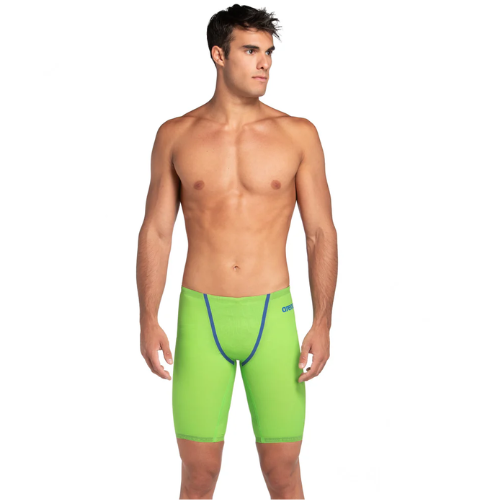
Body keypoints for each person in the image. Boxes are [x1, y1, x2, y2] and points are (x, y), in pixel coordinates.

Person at [136, 4, 338, 499]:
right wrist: (147, 317)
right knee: (198, 473)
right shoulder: (176, 135)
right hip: (201, 314)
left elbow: (320, 233)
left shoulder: (298, 134)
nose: (264, 62)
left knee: (283, 471)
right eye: (250, 50)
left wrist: (322, 322)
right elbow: (156, 231)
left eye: (268, 52)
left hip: (273, 314)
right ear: (218, 55)